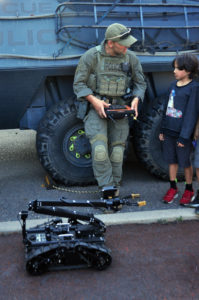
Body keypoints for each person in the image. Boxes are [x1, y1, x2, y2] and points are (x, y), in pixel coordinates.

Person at [73, 23, 146, 195]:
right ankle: (106, 188)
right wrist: (94, 101)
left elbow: (140, 83)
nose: (128, 46)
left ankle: (115, 187)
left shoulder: (131, 58)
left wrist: (136, 98)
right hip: (96, 108)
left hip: (120, 109)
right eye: (124, 43)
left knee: (118, 152)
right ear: (111, 43)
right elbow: (79, 84)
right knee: (99, 150)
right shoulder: (91, 56)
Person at [159, 53, 199, 205]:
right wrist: (162, 129)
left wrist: (184, 136)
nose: (174, 71)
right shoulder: (172, 86)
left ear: (188, 70)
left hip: (183, 135)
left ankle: (189, 189)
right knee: (171, 161)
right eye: (174, 68)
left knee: (185, 163)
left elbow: (191, 114)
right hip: (169, 131)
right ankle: (173, 188)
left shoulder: (194, 88)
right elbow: (166, 108)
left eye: (178, 68)